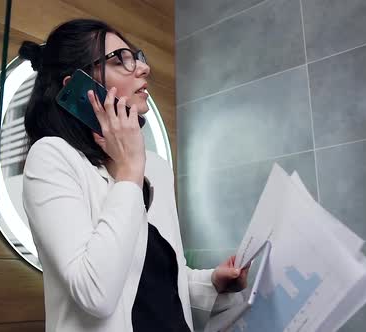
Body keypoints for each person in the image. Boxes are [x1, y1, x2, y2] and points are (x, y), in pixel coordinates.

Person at [20, 19, 249, 332]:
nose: (143, 68)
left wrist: (212, 283)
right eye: (119, 60)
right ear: (76, 86)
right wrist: (129, 172)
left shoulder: (154, 167)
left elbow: (158, 285)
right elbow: (95, 293)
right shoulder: (52, 158)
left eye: (136, 57)